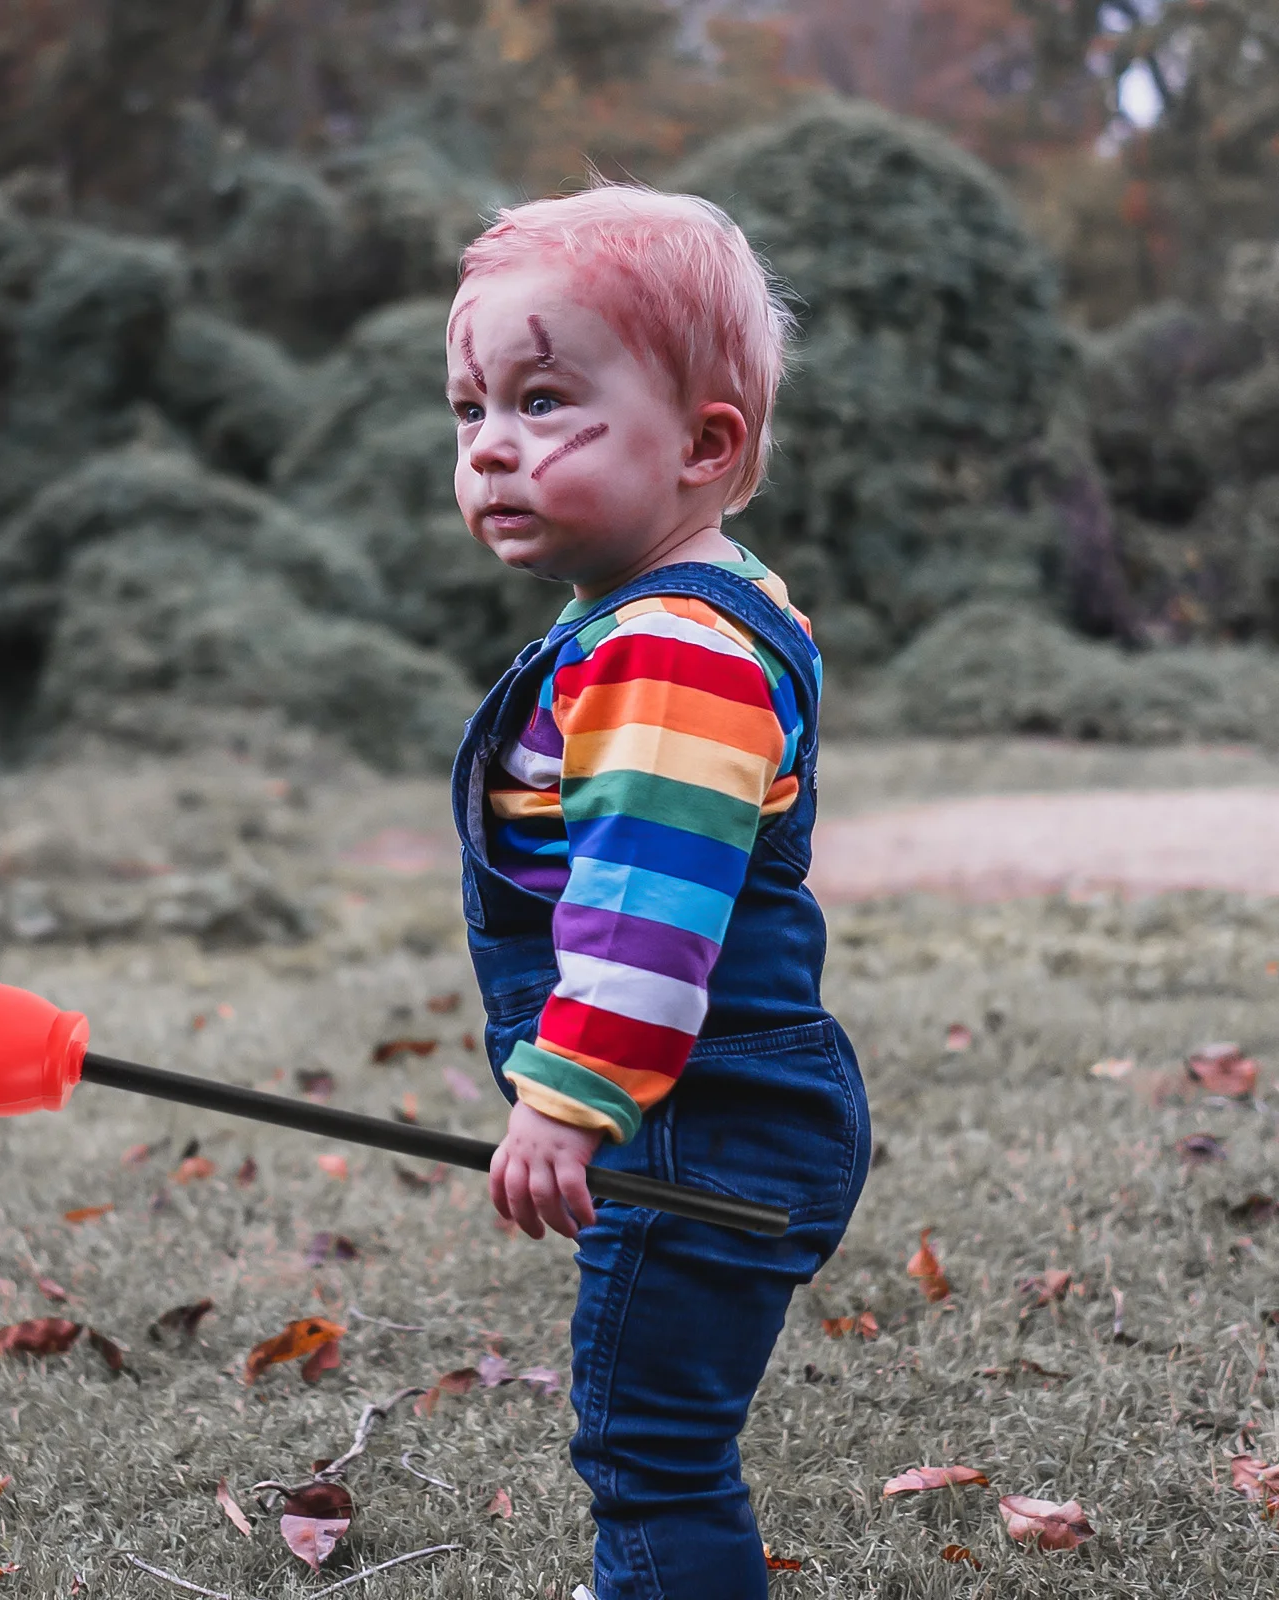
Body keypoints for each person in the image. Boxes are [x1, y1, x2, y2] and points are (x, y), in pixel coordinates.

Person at [446, 182, 871, 1600]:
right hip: (714, 1114)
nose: (495, 449)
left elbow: (650, 920)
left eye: (546, 400)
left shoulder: (670, 651)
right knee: (655, 1438)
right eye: (471, 410)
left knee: (653, 1450)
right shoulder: (708, 603)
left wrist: (566, 1100)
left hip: (706, 1128)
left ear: (705, 446)